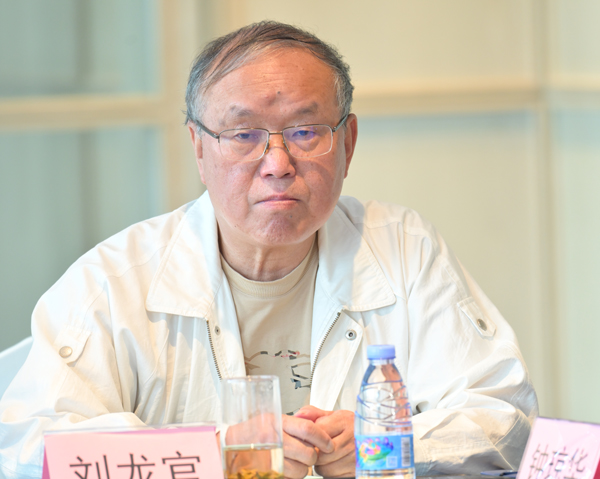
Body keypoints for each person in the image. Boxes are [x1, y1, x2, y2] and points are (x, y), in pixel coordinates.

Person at [0, 21, 538, 479]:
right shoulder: (115, 279)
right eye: (243, 135)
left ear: (347, 143)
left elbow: (505, 417)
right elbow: (30, 450)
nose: (278, 163)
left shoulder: (404, 249)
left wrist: (387, 443)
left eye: (305, 131)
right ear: (199, 147)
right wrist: (217, 455)